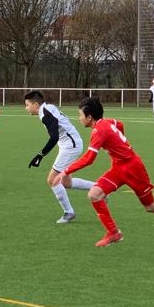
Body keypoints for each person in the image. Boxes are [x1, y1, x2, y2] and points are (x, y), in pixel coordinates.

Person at [52, 97, 154, 247]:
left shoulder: (99, 131)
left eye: (80, 115)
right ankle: (113, 233)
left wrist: (65, 171)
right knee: (94, 194)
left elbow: (89, 159)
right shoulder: (106, 123)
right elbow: (120, 124)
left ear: (89, 117)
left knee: (150, 206)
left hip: (134, 168)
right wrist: (119, 145)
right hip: (118, 167)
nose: (79, 118)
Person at [24, 90, 98, 224]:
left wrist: (40, 155)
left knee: (52, 180)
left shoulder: (45, 114)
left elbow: (54, 137)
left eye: (27, 105)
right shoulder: (48, 107)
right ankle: (100, 188)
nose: (26, 108)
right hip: (70, 143)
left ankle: (69, 212)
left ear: (35, 105)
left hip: (70, 146)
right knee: (66, 182)